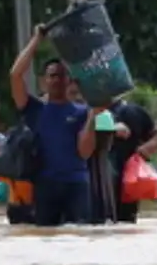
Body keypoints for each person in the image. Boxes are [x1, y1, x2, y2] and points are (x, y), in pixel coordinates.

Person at [10, 27, 101, 226]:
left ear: (70, 80)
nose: (57, 80)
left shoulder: (83, 111)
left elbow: (85, 152)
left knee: (80, 236)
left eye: (62, 75)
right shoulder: (33, 108)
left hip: (76, 184)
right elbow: (15, 75)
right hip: (45, 184)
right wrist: (36, 39)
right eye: (52, 76)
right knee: (45, 238)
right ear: (44, 81)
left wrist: (94, 116)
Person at [107, 98, 157, 223]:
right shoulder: (87, 112)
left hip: (129, 181)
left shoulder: (133, 111)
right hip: (99, 181)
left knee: (126, 222)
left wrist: (145, 149)